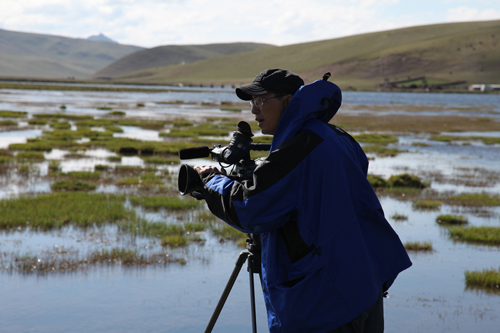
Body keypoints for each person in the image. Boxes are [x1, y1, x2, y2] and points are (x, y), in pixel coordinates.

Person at [193, 69, 412, 332]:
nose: (254, 110)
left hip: (325, 302)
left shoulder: (298, 148)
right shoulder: (337, 136)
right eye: (251, 102)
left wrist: (209, 181)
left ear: (288, 100)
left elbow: (249, 208)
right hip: (364, 282)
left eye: (261, 100)